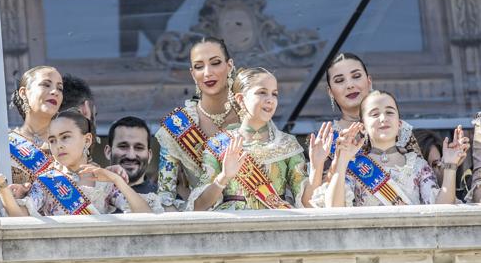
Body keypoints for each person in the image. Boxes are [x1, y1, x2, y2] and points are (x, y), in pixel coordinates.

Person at [0, 110, 155, 216]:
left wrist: (116, 179)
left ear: (87, 140)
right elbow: (20, 216)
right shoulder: (47, 181)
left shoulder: (104, 180)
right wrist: (3, 186)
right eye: (52, 140)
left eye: (65, 137)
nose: (58, 145)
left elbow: (145, 214)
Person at [189, 67, 311, 211]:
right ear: (240, 99)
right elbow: (198, 207)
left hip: (277, 223)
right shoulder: (219, 144)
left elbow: (307, 204)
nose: (270, 100)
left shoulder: (287, 143)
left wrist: (316, 167)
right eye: (262, 93)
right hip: (234, 227)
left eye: (274, 94)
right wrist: (224, 177)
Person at [317, 90, 467, 207]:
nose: (383, 118)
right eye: (375, 114)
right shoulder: (354, 166)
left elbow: (441, 211)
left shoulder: (418, 165)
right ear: (363, 127)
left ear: (399, 123)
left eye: (389, 112)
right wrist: (342, 161)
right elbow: (334, 208)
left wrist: (450, 165)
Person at [307, 53, 422, 199]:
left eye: (356, 76)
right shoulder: (325, 140)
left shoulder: (400, 130)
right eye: (340, 80)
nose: (350, 85)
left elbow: (423, 181)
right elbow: (314, 200)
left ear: (369, 81)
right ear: (330, 92)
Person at [155, 37, 240, 211]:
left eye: (215, 63)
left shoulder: (250, 115)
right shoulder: (177, 127)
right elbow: (164, 198)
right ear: (193, 74)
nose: (207, 72)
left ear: (229, 66)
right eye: (199, 66)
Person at [0, 66, 63, 216]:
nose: (55, 92)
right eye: (46, 85)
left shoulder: (68, 140)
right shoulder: (3, 145)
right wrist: (11, 196)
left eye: (60, 88)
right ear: (24, 92)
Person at [104, 116, 157, 194]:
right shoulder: (90, 195)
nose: (131, 156)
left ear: (149, 156)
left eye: (139, 148)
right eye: (123, 146)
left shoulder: (165, 200)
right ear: (108, 152)